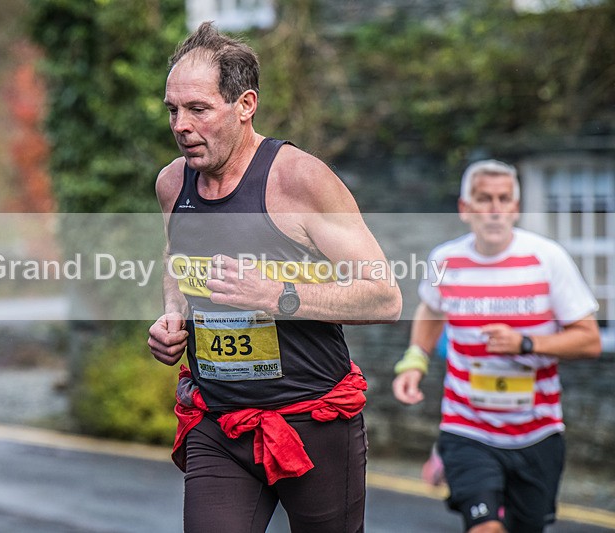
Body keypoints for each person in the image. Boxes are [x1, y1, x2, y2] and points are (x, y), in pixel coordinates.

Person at [147, 22, 401, 533]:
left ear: (245, 105)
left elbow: (384, 296)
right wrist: (173, 314)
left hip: (313, 420)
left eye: (198, 109)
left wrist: (277, 297)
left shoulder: (299, 179)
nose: (181, 125)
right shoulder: (174, 182)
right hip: (218, 420)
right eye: (173, 109)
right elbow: (178, 256)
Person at [392, 160, 601, 533]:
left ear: (516, 207)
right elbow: (430, 308)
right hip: (467, 427)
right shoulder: (445, 260)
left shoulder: (547, 259)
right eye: (484, 199)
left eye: (504, 199)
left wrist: (525, 342)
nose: (494, 209)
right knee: (485, 527)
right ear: (464, 208)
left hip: (537, 432)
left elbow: (589, 339)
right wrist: (414, 360)